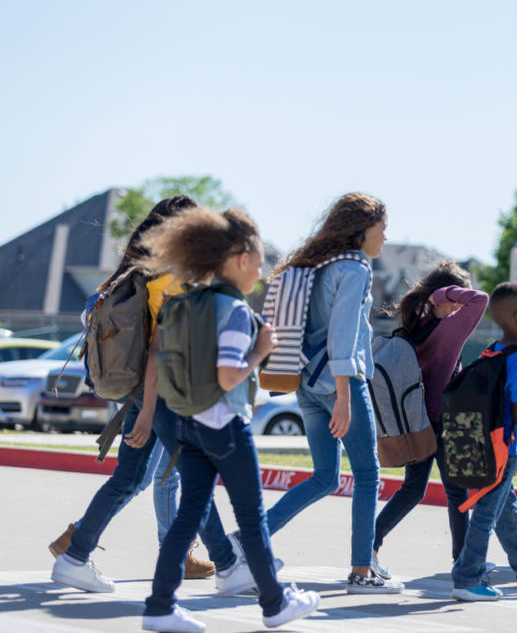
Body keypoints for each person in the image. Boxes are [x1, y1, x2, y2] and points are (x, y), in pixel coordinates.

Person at [139, 206, 319, 632]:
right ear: (239, 259)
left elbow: (160, 356)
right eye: (258, 264)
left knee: (188, 516)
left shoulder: (184, 302)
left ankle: (160, 606)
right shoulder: (236, 312)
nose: (259, 273)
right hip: (226, 426)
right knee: (253, 520)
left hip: (187, 424)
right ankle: (275, 603)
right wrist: (261, 349)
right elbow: (228, 374)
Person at [49, 196, 236, 595]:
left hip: (142, 392)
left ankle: (76, 551)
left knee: (132, 478)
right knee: (189, 475)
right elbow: (162, 347)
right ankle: (229, 563)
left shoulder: (135, 270)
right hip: (160, 393)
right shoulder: (168, 275)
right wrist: (151, 407)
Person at [258, 193, 403, 594]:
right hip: (342, 384)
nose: (385, 238)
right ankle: (361, 571)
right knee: (368, 474)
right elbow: (343, 335)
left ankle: (248, 543)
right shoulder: (355, 269)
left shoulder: (313, 266)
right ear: (362, 230)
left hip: (304, 381)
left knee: (324, 476)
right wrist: (343, 395)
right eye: (382, 229)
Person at [371, 261, 488, 578]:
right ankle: (463, 560)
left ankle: (370, 544)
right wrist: (444, 293)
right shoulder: (451, 328)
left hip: (417, 421)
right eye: (456, 294)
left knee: (413, 490)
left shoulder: (417, 322)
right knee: (457, 493)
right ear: (448, 295)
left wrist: (434, 297)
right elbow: (480, 299)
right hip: (441, 421)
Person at [450, 282, 517, 602]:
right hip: (505, 448)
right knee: (486, 514)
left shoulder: (491, 353)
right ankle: (467, 577)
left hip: (485, 444)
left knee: (506, 511)